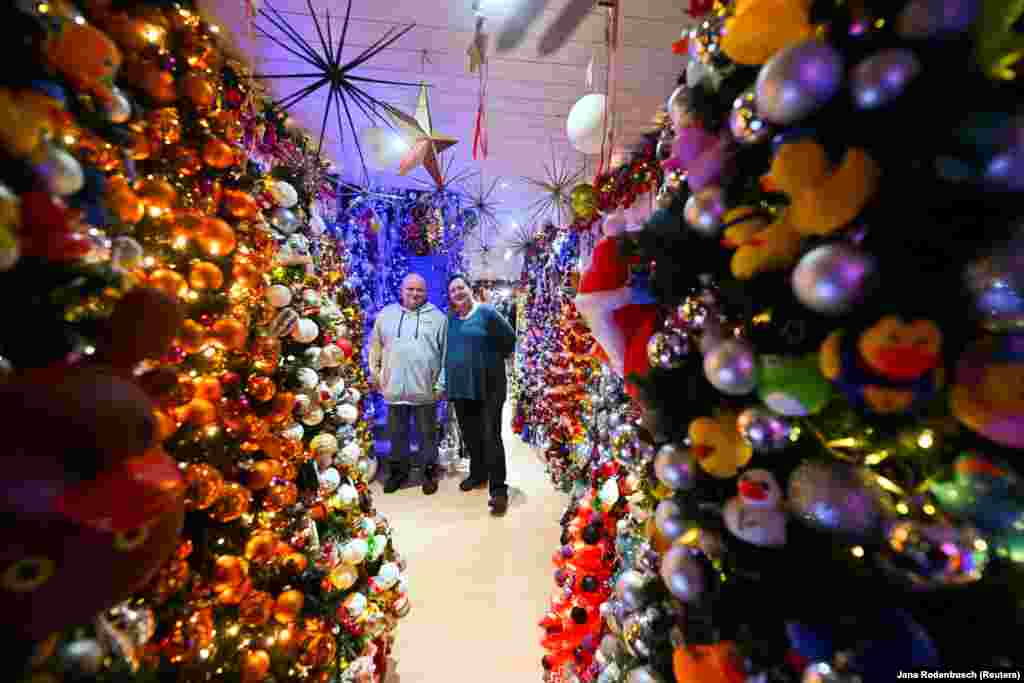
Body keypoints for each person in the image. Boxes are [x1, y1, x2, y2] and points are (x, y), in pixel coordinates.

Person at [444, 273, 517, 515]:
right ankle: (478, 474)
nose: (458, 292)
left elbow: (509, 339)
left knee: (491, 436)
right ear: (450, 296)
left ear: (469, 288)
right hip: (462, 388)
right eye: (453, 290)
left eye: (461, 287)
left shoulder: (486, 312)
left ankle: (498, 490)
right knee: (471, 435)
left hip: (490, 387)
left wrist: (490, 360)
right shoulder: (451, 319)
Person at [368, 273, 447, 495]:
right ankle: (398, 472)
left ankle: (429, 472)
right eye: (410, 289)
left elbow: (445, 355)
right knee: (397, 436)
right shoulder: (386, 315)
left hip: (425, 390)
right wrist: (376, 374)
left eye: (419, 290)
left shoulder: (438, 318)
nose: (414, 294)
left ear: (426, 292)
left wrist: (441, 384)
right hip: (394, 389)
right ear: (402, 291)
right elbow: (375, 347)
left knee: (427, 436)